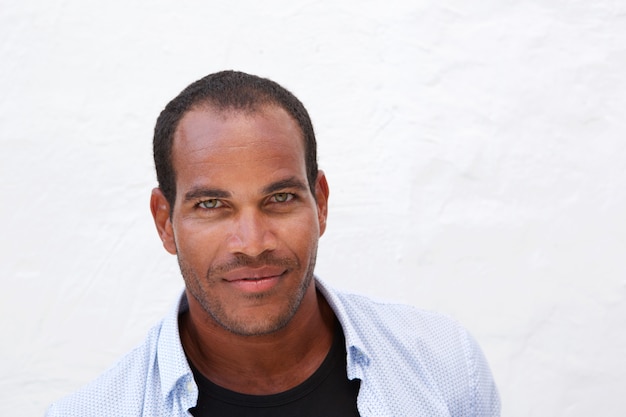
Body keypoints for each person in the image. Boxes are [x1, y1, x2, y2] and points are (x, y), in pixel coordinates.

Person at [46, 70, 500, 416]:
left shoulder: (444, 365)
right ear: (165, 222)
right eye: (210, 205)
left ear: (320, 203)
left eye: (280, 198)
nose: (252, 242)